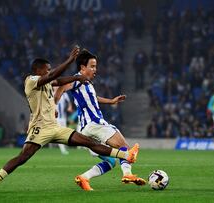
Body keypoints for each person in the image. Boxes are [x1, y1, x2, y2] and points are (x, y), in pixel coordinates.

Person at [0, 46, 139, 195]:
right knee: (22, 157)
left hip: (56, 128)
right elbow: (53, 76)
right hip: (39, 129)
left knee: (88, 142)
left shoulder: (48, 82)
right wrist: (70, 60)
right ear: (38, 70)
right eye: (47, 69)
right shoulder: (31, 81)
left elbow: (60, 81)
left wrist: (78, 78)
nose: (49, 71)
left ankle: (126, 156)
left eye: (49, 69)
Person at [55, 49, 146, 191]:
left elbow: (93, 99)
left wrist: (111, 101)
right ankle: (127, 174)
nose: (95, 69)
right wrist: (54, 105)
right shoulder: (76, 79)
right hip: (94, 123)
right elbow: (61, 87)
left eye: (95, 66)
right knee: (124, 147)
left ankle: (84, 178)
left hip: (85, 130)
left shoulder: (86, 84)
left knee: (110, 161)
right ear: (82, 67)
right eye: (92, 66)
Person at [54, 86, 73, 155]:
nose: (56, 88)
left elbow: (69, 102)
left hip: (63, 118)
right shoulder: (51, 94)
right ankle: (63, 150)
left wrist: (69, 107)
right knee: (59, 133)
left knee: (65, 133)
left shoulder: (64, 94)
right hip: (56, 118)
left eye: (57, 86)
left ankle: (64, 147)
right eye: (55, 87)